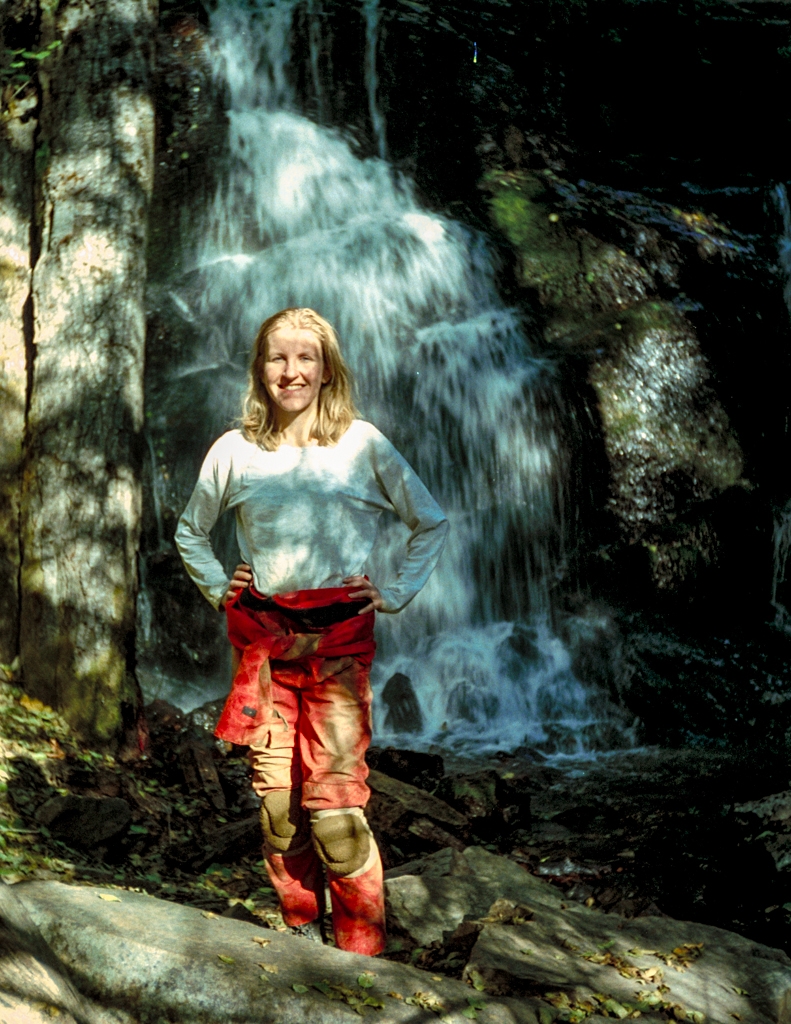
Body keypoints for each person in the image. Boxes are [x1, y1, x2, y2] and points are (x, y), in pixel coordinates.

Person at [175, 307, 448, 955]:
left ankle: (364, 962)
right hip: (265, 647)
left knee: (337, 820)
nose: (290, 370)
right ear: (259, 367)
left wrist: (394, 592)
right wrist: (221, 587)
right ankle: (303, 942)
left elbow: (429, 520)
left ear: (327, 370)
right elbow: (191, 529)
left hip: (338, 646)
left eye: (305, 358)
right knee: (278, 815)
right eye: (277, 357)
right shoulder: (233, 449)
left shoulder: (362, 443)